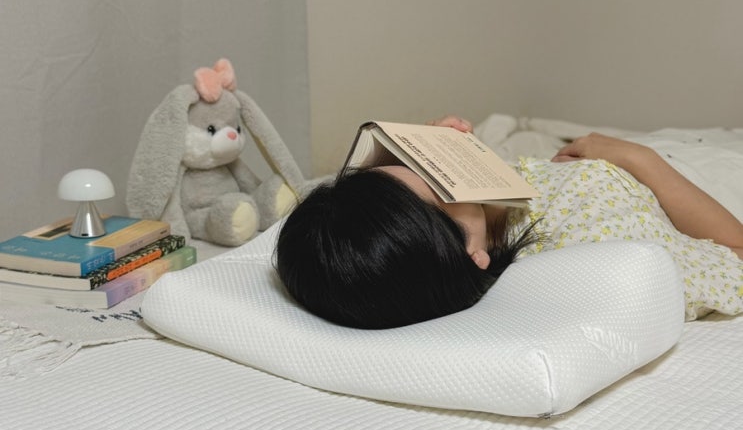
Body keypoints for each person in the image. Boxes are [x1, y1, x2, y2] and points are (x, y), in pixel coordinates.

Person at [276, 115, 743, 328]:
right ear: (470, 255)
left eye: (400, 163)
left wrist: (457, 153)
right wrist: (638, 157)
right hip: (695, 176)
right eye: (439, 184)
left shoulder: (457, 237)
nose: (430, 169)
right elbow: (735, 252)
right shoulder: (593, 244)